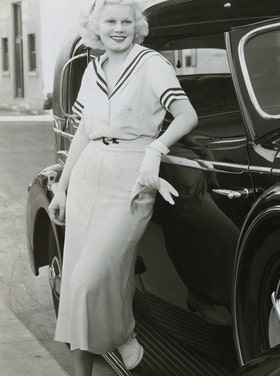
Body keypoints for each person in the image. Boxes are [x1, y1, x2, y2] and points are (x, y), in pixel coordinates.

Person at [47, 1, 198, 375]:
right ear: (96, 27)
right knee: (75, 285)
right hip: (87, 176)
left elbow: (187, 115)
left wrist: (156, 148)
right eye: (110, 21)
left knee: (91, 279)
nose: (119, 28)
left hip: (132, 176)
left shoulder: (151, 64)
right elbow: (83, 131)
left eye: (126, 22)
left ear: (137, 26)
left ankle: (123, 333)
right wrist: (63, 187)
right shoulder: (93, 69)